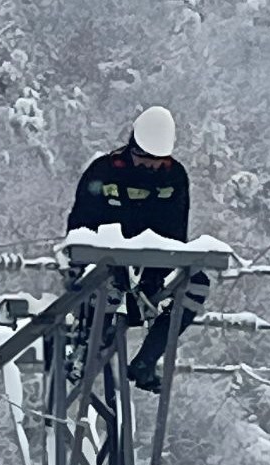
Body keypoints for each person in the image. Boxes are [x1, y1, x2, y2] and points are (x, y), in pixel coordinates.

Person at [66, 106, 211, 393]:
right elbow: (80, 230)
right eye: (145, 159)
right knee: (104, 288)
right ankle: (91, 346)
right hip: (102, 269)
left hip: (150, 270)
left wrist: (154, 277)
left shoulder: (174, 178)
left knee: (196, 284)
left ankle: (147, 359)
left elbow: (174, 235)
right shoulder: (104, 172)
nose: (152, 167)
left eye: (159, 161)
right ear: (132, 149)